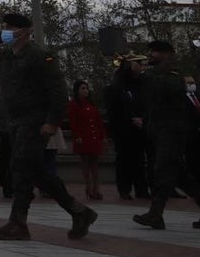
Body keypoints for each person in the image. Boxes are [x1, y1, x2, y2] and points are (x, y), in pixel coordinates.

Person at [0, 12, 96, 241]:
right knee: (33, 171)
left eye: (10, 28)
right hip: (14, 122)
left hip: (34, 121)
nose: (5, 31)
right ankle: (78, 211)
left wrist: (52, 122)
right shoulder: (7, 56)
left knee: (22, 168)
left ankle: (18, 223)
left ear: (25, 31)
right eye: (4, 27)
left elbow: (58, 91)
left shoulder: (40, 56)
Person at [133, 40, 200, 230]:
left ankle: (156, 214)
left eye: (153, 52)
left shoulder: (176, 71)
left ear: (166, 54)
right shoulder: (156, 73)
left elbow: (174, 88)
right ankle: (156, 214)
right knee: (179, 175)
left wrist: (144, 74)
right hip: (162, 130)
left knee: (162, 170)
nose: (149, 55)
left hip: (174, 130)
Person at [105, 54, 150, 199]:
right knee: (124, 159)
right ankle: (124, 189)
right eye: (139, 64)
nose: (142, 67)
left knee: (139, 160)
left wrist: (142, 118)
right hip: (123, 130)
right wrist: (131, 118)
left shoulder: (141, 83)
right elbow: (115, 108)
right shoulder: (118, 85)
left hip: (139, 129)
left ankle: (141, 188)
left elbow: (146, 103)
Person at [67, 79, 106, 201]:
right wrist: (77, 136)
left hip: (94, 138)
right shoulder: (74, 104)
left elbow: (98, 122)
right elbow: (73, 122)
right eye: (82, 88)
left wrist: (103, 136)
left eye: (86, 88)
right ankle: (88, 188)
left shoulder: (91, 104)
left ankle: (96, 188)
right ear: (77, 91)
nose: (85, 91)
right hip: (83, 138)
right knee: (86, 164)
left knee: (95, 165)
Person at [185, 74, 200, 185]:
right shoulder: (181, 98)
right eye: (189, 83)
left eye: (193, 82)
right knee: (191, 156)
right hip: (189, 132)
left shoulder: (197, 95)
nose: (192, 85)